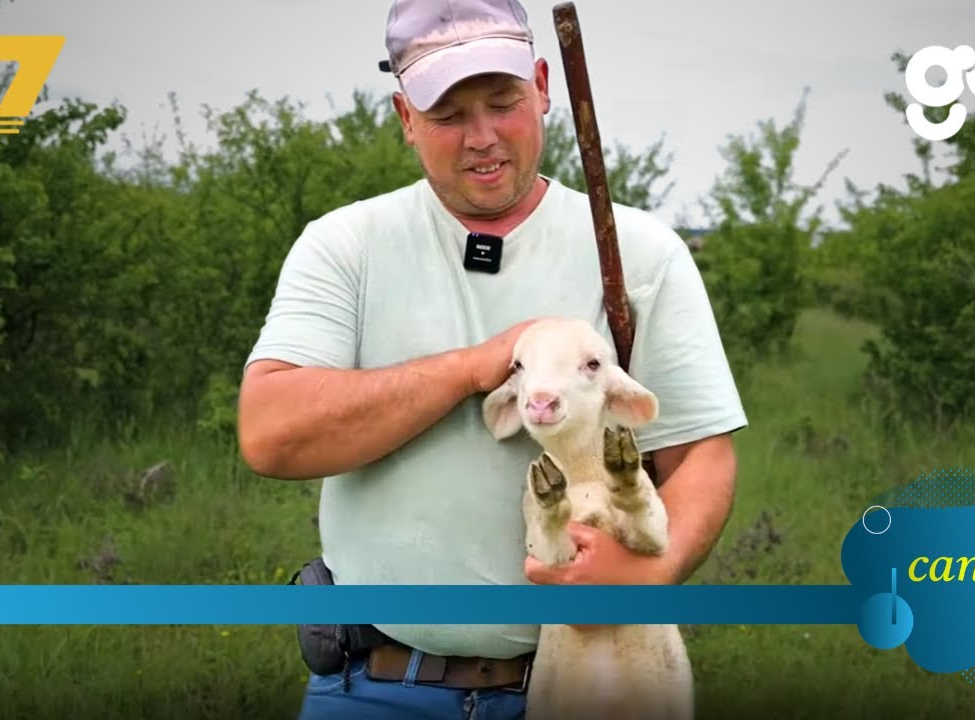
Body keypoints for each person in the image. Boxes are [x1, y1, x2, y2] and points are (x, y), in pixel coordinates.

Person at [237, 0, 747, 718]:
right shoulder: (345, 246)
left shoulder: (637, 253)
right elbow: (270, 434)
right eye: (448, 114)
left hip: (575, 681)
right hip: (373, 688)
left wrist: (650, 569)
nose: (483, 137)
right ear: (404, 117)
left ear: (541, 85)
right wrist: (474, 367)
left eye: (503, 102)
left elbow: (704, 456)